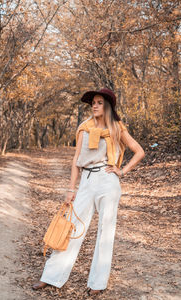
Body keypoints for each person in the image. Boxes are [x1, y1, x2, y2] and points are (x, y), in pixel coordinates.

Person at [32, 88, 145, 296]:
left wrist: (122, 171)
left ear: (108, 106)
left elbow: (139, 151)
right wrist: (71, 188)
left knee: (105, 232)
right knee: (72, 228)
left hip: (108, 181)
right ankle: (51, 277)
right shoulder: (84, 128)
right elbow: (76, 161)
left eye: (99, 102)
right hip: (86, 180)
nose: (94, 105)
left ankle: (98, 282)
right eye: (93, 102)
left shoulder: (117, 127)